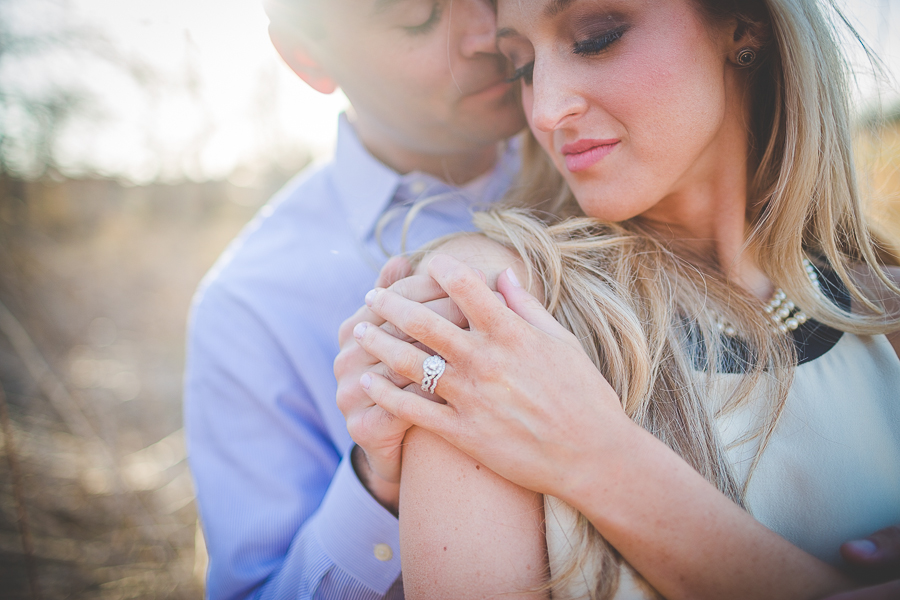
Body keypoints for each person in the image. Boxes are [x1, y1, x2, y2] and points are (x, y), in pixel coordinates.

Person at [347, 0, 900, 597]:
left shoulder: (882, 302)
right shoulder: (493, 304)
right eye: (523, 67)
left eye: (597, 37)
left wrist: (598, 456)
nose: (550, 110)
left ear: (746, 24)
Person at [182, 0, 527, 598]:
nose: (487, 33)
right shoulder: (249, 306)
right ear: (307, 56)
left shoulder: (628, 163)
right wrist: (376, 480)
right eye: (420, 17)